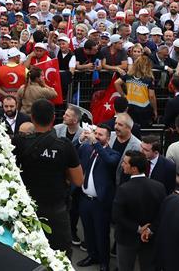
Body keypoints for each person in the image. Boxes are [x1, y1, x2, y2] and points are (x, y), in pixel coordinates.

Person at [12, 99, 83, 258]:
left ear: (32, 118)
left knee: (24, 253)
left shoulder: (19, 142)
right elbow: (78, 180)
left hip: (25, 208)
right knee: (59, 256)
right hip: (55, 211)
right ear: (53, 119)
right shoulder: (64, 145)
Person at [112, 150, 167, 271]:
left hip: (126, 237)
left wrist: (138, 229)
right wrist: (149, 229)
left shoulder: (123, 189)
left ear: (134, 169)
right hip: (150, 237)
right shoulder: (159, 187)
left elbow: (117, 216)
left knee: (125, 267)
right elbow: (163, 213)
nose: (122, 165)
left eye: (125, 163)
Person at [77, 124, 121, 271]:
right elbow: (72, 152)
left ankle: (104, 262)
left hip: (100, 203)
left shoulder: (113, 154)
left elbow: (109, 161)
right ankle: (92, 255)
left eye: (100, 135)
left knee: (102, 234)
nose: (96, 136)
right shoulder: (87, 148)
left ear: (108, 138)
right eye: (95, 133)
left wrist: (95, 144)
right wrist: (79, 140)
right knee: (88, 232)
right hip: (85, 199)